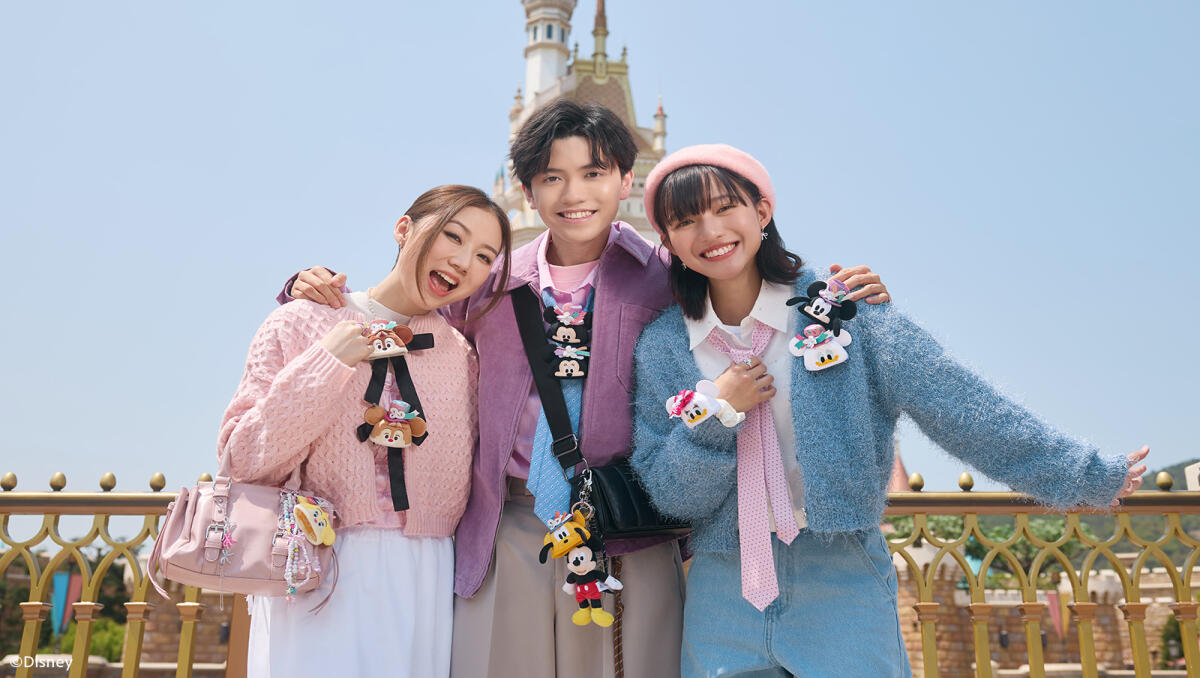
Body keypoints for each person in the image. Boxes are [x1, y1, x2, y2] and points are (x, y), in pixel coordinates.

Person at [282, 100, 893, 678]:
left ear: (626, 179)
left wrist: (837, 293)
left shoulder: (666, 276)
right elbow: (409, 312)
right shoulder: (490, 281)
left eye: (594, 173)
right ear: (528, 192)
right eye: (552, 178)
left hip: (629, 526)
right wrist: (311, 292)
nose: (574, 195)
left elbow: (749, 291)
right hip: (508, 525)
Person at [629, 143, 1151, 678]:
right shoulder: (663, 348)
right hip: (722, 590)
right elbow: (672, 495)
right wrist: (717, 413)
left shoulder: (846, 310)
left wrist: (1079, 473)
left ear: (762, 211)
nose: (710, 231)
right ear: (668, 241)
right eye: (685, 221)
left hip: (841, 575)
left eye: (725, 208)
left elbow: (956, 402)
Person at [218, 184, 512, 678]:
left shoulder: (463, 357)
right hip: (315, 563)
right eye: (453, 236)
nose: (463, 262)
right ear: (403, 229)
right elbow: (242, 459)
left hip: (425, 573)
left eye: (484, 256)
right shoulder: (298, 322)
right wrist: (326, 362)